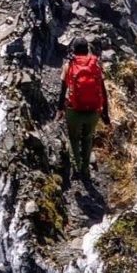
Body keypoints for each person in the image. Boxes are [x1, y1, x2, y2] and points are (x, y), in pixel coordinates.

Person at [56, 36, 110, 182]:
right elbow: (103, 90)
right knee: (87, 138)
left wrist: (60, 110)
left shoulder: (69, 66)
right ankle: (86, 169)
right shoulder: (96, 65)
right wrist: (105, 112)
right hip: (93, 111)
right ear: (87, 50)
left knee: (74, 139)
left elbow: (63, 91)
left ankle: (77, 167)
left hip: (74, 110)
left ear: (73, 50)